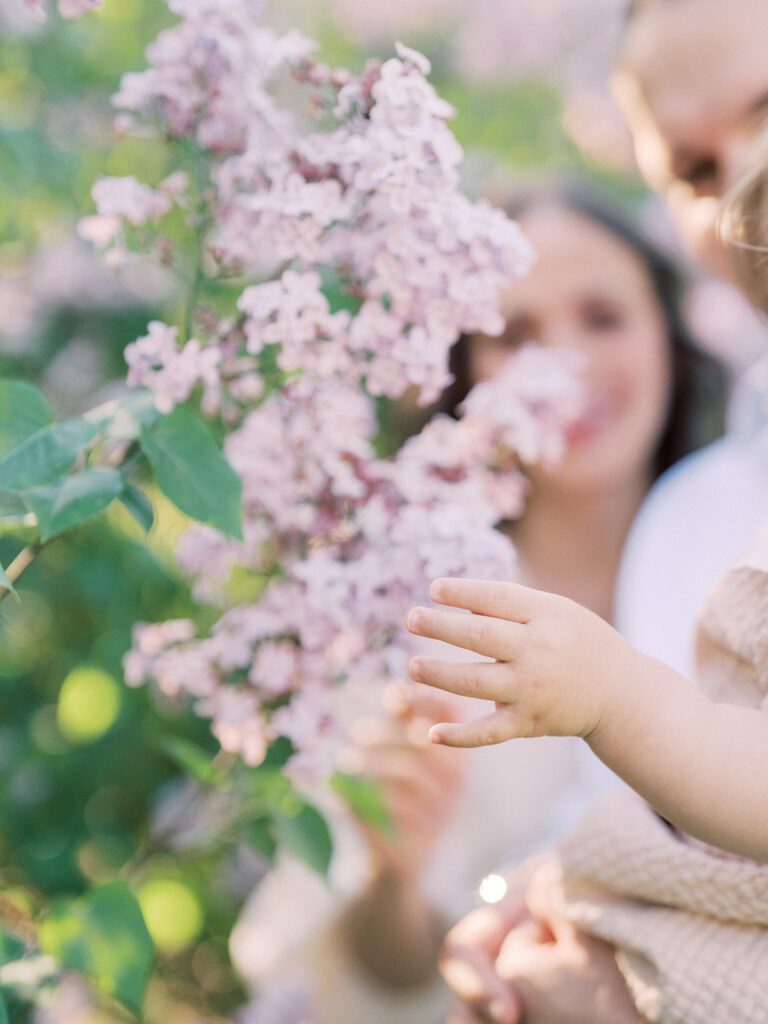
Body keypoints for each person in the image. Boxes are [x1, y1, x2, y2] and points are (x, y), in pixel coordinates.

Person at [230, 187, 725, 1024]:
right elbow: (379, 977)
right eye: (515, 334)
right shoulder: (408, 613)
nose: (560, 364)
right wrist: (396, 872)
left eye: (603, 317)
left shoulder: (737, 557)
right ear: (467, 373)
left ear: (670, 344)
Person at [430, 2, 768, 1020]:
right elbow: (642, 817)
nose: (748, 181)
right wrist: (526, 908)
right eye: (696, 172)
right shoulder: (691, 520)